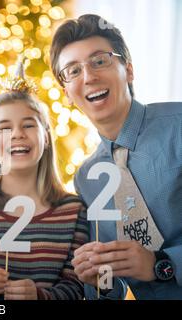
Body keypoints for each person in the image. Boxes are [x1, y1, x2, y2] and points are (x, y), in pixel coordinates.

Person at [50, 14, 182, 299]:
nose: (89, 77)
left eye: (99, 61)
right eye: (73, 71)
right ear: (66, 94)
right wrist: (100, 281)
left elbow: (154, 266)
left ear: (129, 70)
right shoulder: (87, 178)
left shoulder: (179, 126)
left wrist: (163, 264)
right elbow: (115, 286)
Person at [0, 65, 89, 300]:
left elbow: (77, 289)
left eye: (28, 125)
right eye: (5, 127)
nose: (17, 133)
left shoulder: (74, 210)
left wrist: (41, 297)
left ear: (46, 138)